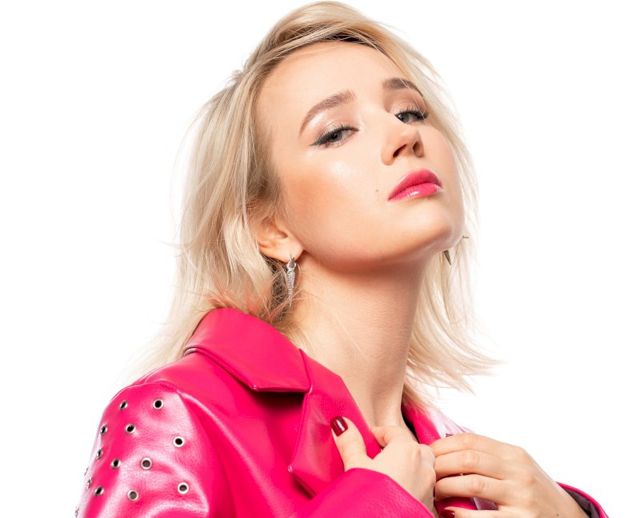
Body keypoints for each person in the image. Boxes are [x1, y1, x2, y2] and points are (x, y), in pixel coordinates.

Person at [74, 2, 609, 517]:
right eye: (336, 132)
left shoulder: (468, 470)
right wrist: (380, 507)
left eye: (410, 111)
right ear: (271, 228)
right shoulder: (174, 413)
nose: (405, 135)